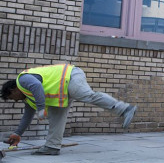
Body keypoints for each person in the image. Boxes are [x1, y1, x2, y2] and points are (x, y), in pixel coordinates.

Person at [1, 63, 137, 155]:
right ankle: (52, 147)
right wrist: (18, 134)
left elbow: (37, 86)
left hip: (71, 76)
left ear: (13, 90)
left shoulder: (23, 79)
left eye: (12, 97)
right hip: (62, 90)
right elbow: (27, 116)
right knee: (56, 117)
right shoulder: (28, 98)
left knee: (86, 95)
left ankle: (125, 109)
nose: (15, 100)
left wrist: (41, 108)